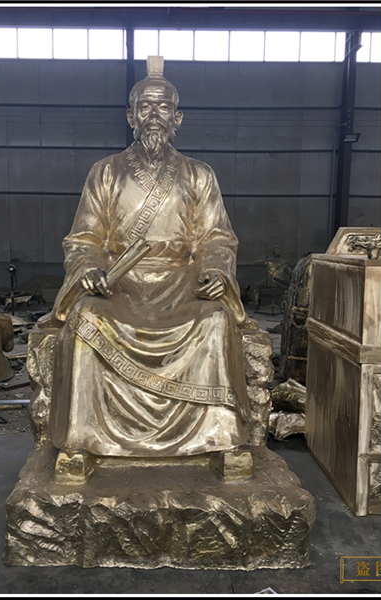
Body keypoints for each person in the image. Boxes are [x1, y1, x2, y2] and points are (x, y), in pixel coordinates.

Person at [46, 56, 257, 458]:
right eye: (145, 106)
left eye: (163, 107)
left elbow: (216, 236)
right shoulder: (105, 172)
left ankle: (219, 437)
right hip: (121, 282)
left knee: (216, 320)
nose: (154, 115)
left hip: (182, 283)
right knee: (85, 318)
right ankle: (83, 440)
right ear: (131, 116)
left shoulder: (199, 174)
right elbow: (84, 238)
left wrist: (215, 270)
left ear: (178, 118)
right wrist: (90, 267)